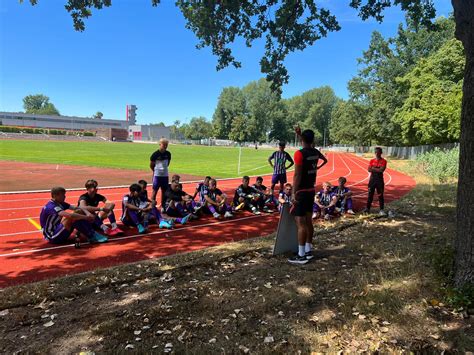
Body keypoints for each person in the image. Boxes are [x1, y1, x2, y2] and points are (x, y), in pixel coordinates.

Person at [289, 127, 328, 265]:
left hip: (301, 192)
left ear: (303, 140)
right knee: (308, 221)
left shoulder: (299, 154)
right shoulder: (315, 152)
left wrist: (293, 192)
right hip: (311, 190)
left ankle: (301, 255)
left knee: (301, 223)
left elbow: (297, 175)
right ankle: (308, 250)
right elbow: (310, 147)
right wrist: (301, 135)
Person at [40, 186, 108, 244]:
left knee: (78, 212)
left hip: (58, 230)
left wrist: (88, 213)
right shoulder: (51, 206)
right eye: (63, 195)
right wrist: (86, 217)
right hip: (52, 236)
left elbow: (79, 208)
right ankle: (91, 234)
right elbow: (70, 216)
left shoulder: (60, 203)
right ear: (55, 196)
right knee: (71, 217)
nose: (65, 197)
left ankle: (90, 234)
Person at [364, 147, 387, 216]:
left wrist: (373, 168)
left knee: (380, 195)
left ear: (381, 153)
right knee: (370, 195)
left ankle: (381, 210)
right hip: (372, 180)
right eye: (376, 152)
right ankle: (367, 209)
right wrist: (377, 169)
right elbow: (369, 169)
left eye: (378, 152)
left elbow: (381, 170)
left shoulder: (384, 161)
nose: (377, 154)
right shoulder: (371, 160)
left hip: (379, 180)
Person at [150, 138, 171, 208]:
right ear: (160, 144)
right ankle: (152, 206)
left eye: (166, 145)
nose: (165, 146)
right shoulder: (155, 154)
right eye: (163, 144)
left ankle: (163, 205)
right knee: (154, 191)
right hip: (157, 176)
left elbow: (167, 164)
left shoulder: (168, 154)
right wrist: (155, 171)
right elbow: (151, 165)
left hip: (165, 175)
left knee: (164, 191)